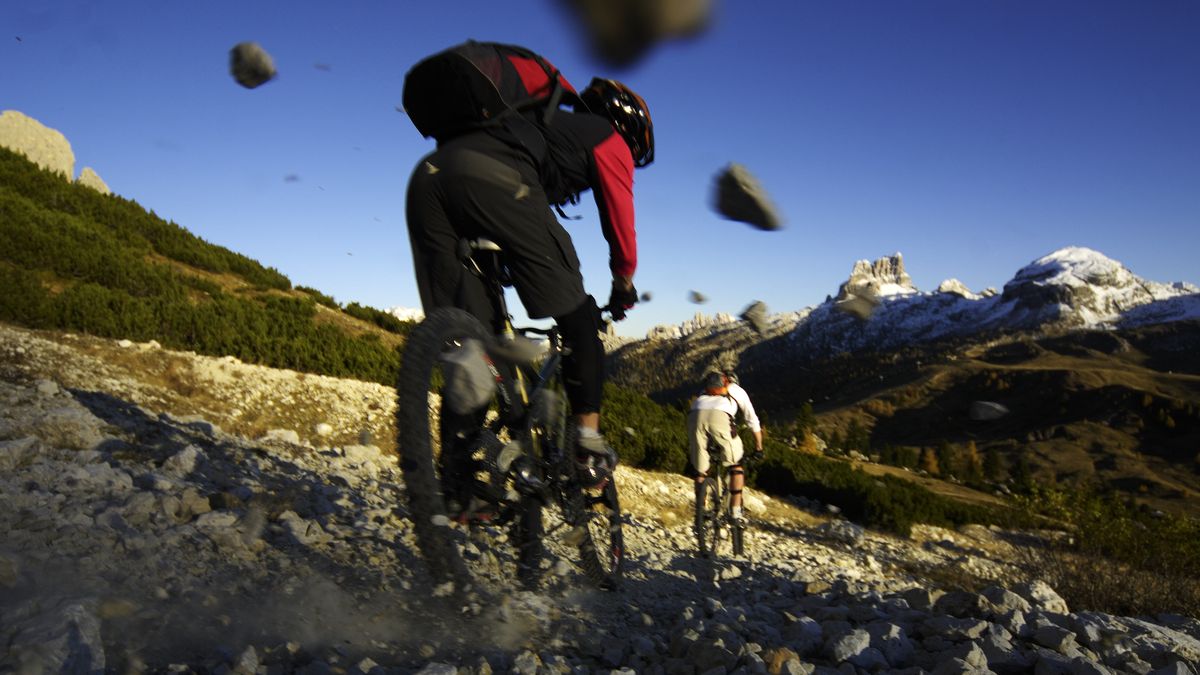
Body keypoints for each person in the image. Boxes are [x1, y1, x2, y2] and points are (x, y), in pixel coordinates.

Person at [404, 45, 654, 490]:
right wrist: (624, 280)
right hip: (497, 180)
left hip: (428, 181)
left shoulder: (532, 122)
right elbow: (619, 215)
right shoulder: (605, 136)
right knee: (578, 317)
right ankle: (587, 446)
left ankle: (459, 489)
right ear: (629, 130)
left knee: (471, 348)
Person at [688, 369, 764, 527]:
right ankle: (735, 512)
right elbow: (752, 420)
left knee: (700, 470)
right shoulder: (737, 390)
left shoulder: (705, 390)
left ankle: (700, 512)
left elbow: (705, 412)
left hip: (695, 415)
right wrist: (758, 447)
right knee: (736, 464)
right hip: (720, 417)